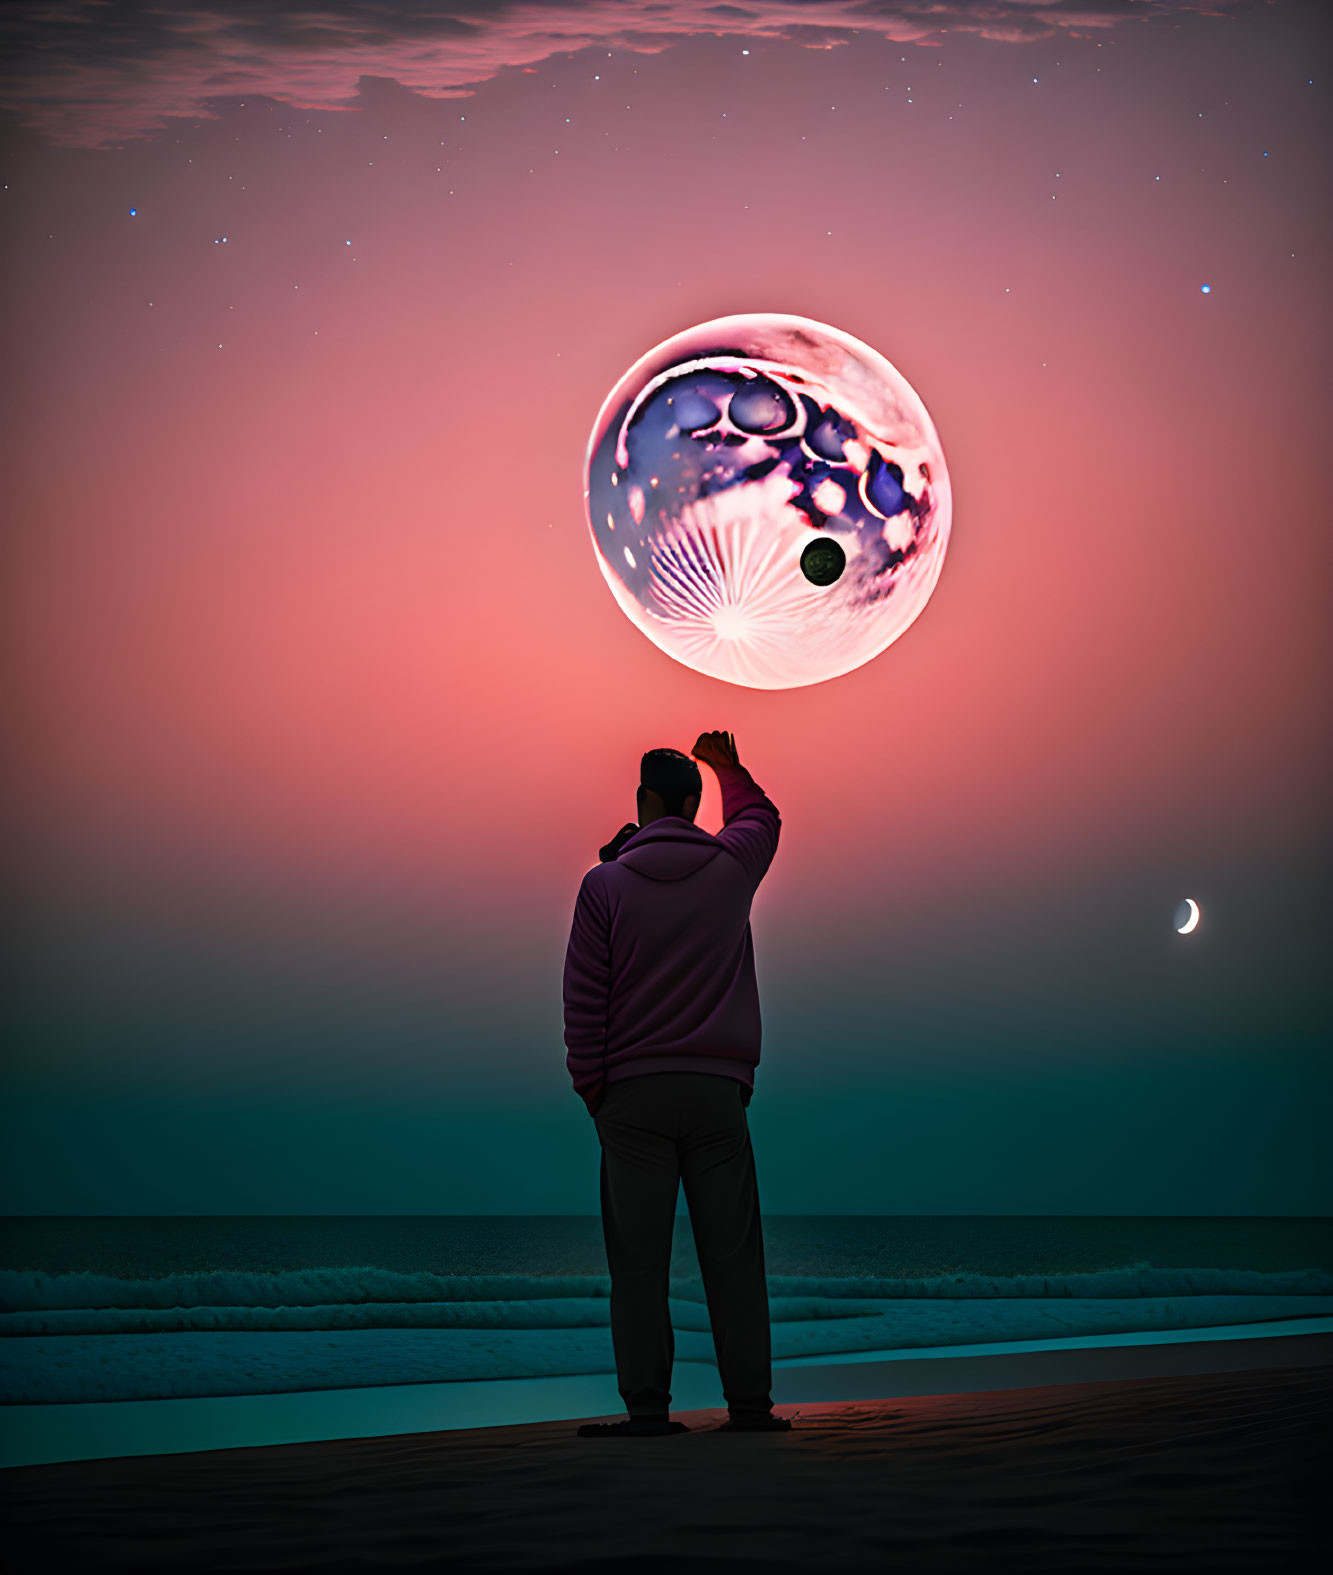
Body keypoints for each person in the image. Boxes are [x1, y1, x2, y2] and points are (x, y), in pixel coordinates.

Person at [563, 730, 792, 1438]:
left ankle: (647, 1409)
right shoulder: (730, 865)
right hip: (716, 1090)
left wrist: (594, 1089)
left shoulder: (603, 884)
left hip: (630, 1095)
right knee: (732, 1255)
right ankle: (749, 1406)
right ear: (693, 805)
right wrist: (726, 765)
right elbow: (763, 819)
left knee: (637, 1263)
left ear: (640, 801)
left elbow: (582, 999)